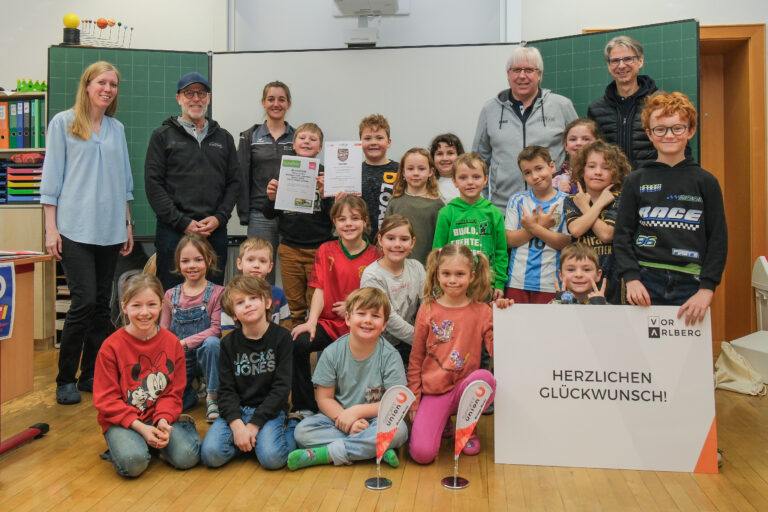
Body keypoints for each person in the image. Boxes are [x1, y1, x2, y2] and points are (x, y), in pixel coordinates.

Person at [40, 61, 134, 405]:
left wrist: (127, 224)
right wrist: (51, 229)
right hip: (74, 229)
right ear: (87, 85)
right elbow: (51, 180)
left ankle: (90, 375)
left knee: (100, 307)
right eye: (102, 83)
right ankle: (65, 378)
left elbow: (124, 182)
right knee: (82, 302)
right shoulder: (63, 123)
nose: (108, 89)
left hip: (110, 229)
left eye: (113, 84)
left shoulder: (117, 128)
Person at [614, 91, 727, 325]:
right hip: (644, 281)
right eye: (660, 129)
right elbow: (622, 235)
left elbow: (718, 239)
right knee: (642, 357)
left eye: (677, 128)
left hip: (692, 284)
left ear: (690, 131)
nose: (669, 135)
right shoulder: (636, 180)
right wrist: (632, 278)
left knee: (685, 358)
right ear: (649, 134)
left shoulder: (706, 182)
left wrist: (707, 288)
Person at [407, 245, 512, 464]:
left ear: (472, 276)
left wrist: (504, 316)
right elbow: (415, 359)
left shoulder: (483, 312)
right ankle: (444, 421)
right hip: (434, 392)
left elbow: (498, 352)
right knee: (422, 454)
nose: (452, 280)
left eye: (460, 274)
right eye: (446, 274)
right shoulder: (427, 310)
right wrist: (415, 401)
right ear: (437, 275)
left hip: (466, 391)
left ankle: (468, 426)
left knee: (485, 379)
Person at [287, 287, 408, 470]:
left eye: (375, 316)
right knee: (302, 432)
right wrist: (347, 421)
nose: (367, 320)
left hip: (376, 418)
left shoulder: (390, 356)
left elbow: (395, 404)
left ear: (384, 325)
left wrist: (357, 412)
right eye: (361, 313)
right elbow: (324, 398)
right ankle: (375, 449)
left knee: (399, 432)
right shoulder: (332, 353)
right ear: (348, 319)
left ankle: (326, 454)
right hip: (338, 417)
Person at [93, 274, 201, 477]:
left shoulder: (172, 343)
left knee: (188, 456)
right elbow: (106, 400)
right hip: (123, 421)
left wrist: (162, 421)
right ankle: (137, 444)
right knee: (134, 463)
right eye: (136, 306)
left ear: (162, 305)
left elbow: (173, 393)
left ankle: (158, 440)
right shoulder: (110, 347)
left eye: (151, 304)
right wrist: (141, 428)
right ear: (124, 307)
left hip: (158, 416)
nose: (144, 313)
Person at [145, 71, 240, 291]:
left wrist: (219, 218)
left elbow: (234, 183)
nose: (196, 98)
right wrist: (182, 222)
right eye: (189, 93)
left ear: (208, 98)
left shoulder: (223, 138)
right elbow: (153, 184)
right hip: (173, 231)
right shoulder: (162, 136)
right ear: (179, 98)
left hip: (213, 231)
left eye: (201, 93)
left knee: (212, 297)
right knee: (171, 295)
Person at [290, 195, 379, 414]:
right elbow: (319, 288)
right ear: (334, 223)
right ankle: (304, 407)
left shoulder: (377, 254)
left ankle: (360, 403)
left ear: (365, 221)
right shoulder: (325, 249)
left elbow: (377, 295)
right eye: (342, 219)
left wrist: (352, 306)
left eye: (355, 218)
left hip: (360, 325)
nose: (348, 223)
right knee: (299, 343)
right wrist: (311, 322)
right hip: (329, 324)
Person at [201, 275, 297, 470]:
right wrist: (237, 426)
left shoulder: (283, 338)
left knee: (273, 459)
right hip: (238, 410)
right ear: (233, 314)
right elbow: (226, 391)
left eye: (254, 298)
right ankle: (248, 442)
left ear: (267, 302)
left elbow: (281, 389)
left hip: (270, 410)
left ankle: (292, 425)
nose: (248, 305)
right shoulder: (227, 344)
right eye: (240, 302)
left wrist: (254, 425)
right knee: (211, 455)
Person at [472, 46, 578, 209]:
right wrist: (482, 203)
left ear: (539, 75)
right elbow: (478, 161)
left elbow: (580, 153)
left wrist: (570, 186)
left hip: (553, 207)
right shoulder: (490, 110)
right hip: (504, 208)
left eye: (529, 70)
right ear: (508, 74)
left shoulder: (562, 106)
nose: (522, 76)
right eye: (516, 70)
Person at [263, 123, 335, 327]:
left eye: (313, 139)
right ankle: (296, 353)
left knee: (318, 306)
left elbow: (336, 217)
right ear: (293, 144)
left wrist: (326, 195)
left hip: (320, 250)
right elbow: (268, 213)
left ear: (320, 147)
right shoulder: (283, 172)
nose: (307, 142)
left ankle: (317, 354)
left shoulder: (326, 175)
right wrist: (270, 198)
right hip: (290, 249)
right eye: (302, 138)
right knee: (294, 307)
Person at [236, 81, 296, 284]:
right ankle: (260, 314)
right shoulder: (250, 136)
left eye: (281, 99)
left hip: (292, 215)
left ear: (288, 104)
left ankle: (286, 314)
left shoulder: (299, 137)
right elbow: (241, 176)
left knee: (294, 271)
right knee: (259, 273)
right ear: (263, 102)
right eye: (271, 99)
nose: (276, 104)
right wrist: (244, 214)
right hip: (260, 214)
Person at [159, 233, 224, 421]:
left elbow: (216, 329)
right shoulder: (170, 295)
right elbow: (163, 331)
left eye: (198, 260)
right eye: (185, 261)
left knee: (212, 343)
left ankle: (212, 397)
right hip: (180, 358)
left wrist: (185, 342)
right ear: (178, 264)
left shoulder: (219, 293)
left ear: (208, 260)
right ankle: (194, 389)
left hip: (207, 357)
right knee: (178, 405)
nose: (192, 266)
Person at [563, 140, 631, 304]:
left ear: (616, 173)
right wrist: (596, 204)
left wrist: (588, 207)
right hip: (581, 276)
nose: (598, 172)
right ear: (582, 169)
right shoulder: (573, 200)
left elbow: (607, 234)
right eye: (591, 166)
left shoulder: (620, 199)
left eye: (606, 168)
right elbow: (576, 230)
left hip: (614, 275)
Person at [433, 153, 507, 298]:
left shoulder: (494, 213)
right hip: (453, 284)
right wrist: (438, 284)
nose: (470, 182)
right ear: (454, 181)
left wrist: (499, 283)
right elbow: (438, 251)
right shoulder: (446, 213)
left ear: (485, 179)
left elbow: (500, 252)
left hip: (485, 284)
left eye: (476, 177)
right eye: (463, 178)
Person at [505, 146, 571, 304]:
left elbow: (565, 242)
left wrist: (534, 227)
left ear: (552, 166)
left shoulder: (567, 201)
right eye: (527, 172)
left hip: (551, 283)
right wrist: (542, 226)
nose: (535, 176)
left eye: (539, 168)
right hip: (517, 281)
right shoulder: (517, 200)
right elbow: (509, 239)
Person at [361, 215, 426, 367]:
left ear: (412, 242)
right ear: (380, 239)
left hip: (410, 342)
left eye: (404, 239)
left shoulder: (417, 268)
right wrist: (422, 340)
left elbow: (427, 304)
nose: (397, 244)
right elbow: (388, 319)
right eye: (391, 238)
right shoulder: (372, 276)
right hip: (378, 345)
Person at [587, 35, 658, 170]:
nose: (621, 65)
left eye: (627, 59)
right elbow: (591, 153)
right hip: (612, 186)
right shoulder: (596, 110)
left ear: (640, 61)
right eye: (615, 61)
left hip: (651, 184)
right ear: (609, 66)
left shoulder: (659, 103)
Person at [384, 147, 444, 264]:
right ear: (403, 172)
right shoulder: (395, 202)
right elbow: (386, 236)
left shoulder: (437, 205)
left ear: (431, 172)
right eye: (410, 169)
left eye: (421, 169)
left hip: (426, 268)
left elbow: (440, 243)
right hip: (397, 267)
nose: (416, 173)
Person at [359, 113, 399, 241]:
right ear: (360, 142)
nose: (373, 142)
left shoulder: (400, 171)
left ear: (389, 142)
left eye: (379, 138)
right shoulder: (353, 171)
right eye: (368, 138)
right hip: (361, 242)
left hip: (392, 241)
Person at [234, 237, 291, 326]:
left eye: (262, 261)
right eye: (250, 260)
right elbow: (227, 332)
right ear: (239, 263)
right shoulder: (231, 294)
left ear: (270, 267)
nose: (256, 265)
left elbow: (286, 328)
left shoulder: (279, 294)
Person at [552, 118, 602, 194]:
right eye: (573, 139)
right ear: (565, 145)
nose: (578, 143)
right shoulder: (554, 179)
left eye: (586, 139)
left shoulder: (602, 175)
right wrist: (557, 194)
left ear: (598, 143)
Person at [429, 133, 465, 203]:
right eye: (439, 154)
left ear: (459, 156)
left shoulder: (469, 183)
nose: (445, 158)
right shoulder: (427, 184)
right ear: (432, 158)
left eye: (450, 153)